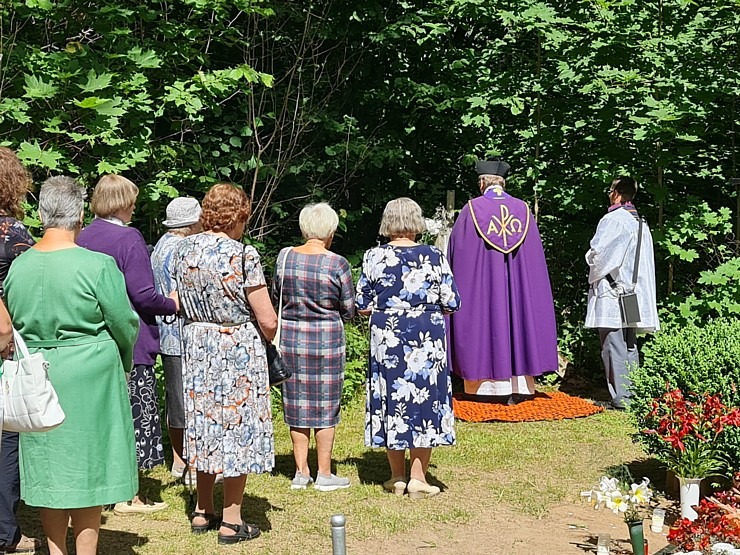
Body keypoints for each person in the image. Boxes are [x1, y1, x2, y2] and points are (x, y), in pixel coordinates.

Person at [4, 176, 139, 555]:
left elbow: (12, 319)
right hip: (90, 374)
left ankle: (55, 549)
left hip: (37, 373)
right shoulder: (97, 265)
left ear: (42, 214)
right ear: (80, 214)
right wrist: (123, 359)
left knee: (48, 466)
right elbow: (124, 322)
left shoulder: (20, 266)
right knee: (88, 466)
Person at [173, 183, 276, 544]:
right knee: (237, 429)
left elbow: (177, 298)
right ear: (239, 215)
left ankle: (202, 510)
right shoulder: (243, 255)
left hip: (198, 345)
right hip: (234, 347)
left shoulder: (183, 250)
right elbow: (267, 319)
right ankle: (232, 521)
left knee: (203, 424)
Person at [77, 174, 177, 515]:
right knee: (132, 418)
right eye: (132, 200)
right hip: (127, 343)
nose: (135, 206)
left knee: (98, 420)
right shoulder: (128, 238)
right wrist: (173, 303)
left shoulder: (82, 236)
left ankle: (100, 491)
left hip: (90, 341)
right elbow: (143, 295)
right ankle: (128, 495)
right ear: (122, 203)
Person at [356, 197, 460, 499]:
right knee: (424, 400)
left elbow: (362, 305)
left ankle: (396, 476)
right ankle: (418, 478)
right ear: (417, 222)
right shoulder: (433, 256)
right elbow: (451, 302)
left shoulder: (373, 256)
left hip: (388, 335)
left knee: (392, 398)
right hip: (426, 334)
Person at [446, 158, 559, 403]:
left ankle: (485, 390)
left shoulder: (471, 210)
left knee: (486, 317)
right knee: (517, 316)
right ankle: (520, 386)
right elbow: (534, 262)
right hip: (517, 290)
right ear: (502, 183)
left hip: (485, 290)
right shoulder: (523, 210)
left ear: (482, 183)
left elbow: (458, 253)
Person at [274, 203, 356, 492]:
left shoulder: (285, 257)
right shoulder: (338, 263)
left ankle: (300, 472)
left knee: (295, 403)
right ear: (331, 231)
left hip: (292, 341)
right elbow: (348, 308)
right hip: (327, 343)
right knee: (325, 405)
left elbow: (276, 296)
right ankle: (324, 472)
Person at [585, 176, 659, 409]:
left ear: (617, 193)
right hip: (632, 294)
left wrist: (589, 259)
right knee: (629, 344)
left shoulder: (614, 220)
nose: (609, 195)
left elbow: (600, 256)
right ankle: (632, 393)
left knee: (613, 344)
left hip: (612, 293)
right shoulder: (639, 221)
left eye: (610, 190)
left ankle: (621, 399)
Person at [0, 146, 40, 554]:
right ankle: (6, 532)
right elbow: (28, 292)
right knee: (6, 439)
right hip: (3, 340)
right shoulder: (14, 235)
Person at [151, 197, 202, 484]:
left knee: (175, 398)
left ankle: (179, 460)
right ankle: (190, 465)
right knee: (187, 401)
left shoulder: (161, 245)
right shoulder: (183, 249)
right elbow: (185, 293)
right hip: (183, 333)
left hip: (166, 332)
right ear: (191, 222)